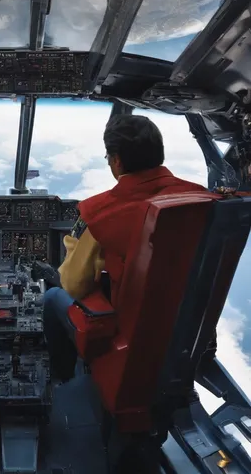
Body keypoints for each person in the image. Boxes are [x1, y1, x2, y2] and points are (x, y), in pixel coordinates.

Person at [43, 114, 208, 383]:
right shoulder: (201, 198)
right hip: (188, 329)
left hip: (132, 332)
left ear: (117, 160)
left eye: (108, 157)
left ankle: (63, 376)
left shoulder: (98, 213)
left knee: (52, 297)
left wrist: (72, 251)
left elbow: (74, 285)